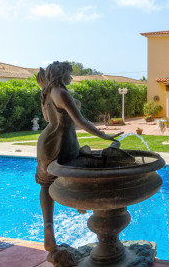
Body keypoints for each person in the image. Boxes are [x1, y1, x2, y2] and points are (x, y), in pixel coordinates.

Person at [36, 61, 122, 252]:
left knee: (46, 184)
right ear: (61, 74)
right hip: (63, 143)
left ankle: (48, 228)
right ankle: (82, 204)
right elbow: (81, 122)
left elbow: (48, 119)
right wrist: (104, 135)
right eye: (69, 73)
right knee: (86, 170)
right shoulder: (62, 93)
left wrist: (43, 88)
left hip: (46, 143)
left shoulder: (47, 92)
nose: (72, 77)